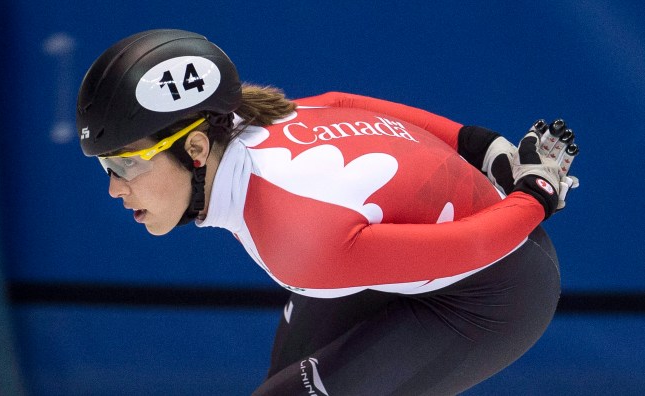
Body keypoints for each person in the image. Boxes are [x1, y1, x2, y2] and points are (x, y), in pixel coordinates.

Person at [76, 29, 580, 395]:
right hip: (419, 244)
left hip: (497, 287)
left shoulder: (297, 241)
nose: (114, 189)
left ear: (199, 149)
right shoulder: (266, 119)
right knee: (283, 378)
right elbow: (348, 103)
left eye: (125, 163)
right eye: (105, 165)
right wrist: (480, 143)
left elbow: (471, 246)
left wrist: (533, 194)